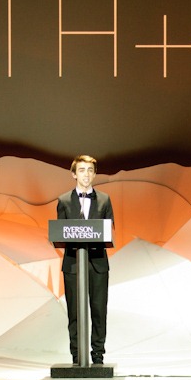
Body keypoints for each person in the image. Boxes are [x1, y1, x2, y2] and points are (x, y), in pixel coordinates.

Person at [56, 154, 114, 365]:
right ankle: (77, 354)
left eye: (90, 170)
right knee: (74, 312)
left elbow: (109, 229)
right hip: (73, 263)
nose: (86, 175)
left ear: (95, 174)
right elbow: (61, 231)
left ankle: (98, 354)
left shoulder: (105, 199)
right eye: (81, 170)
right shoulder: (63, 200)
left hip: (97, 263)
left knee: (99, 310)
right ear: (74, 174)